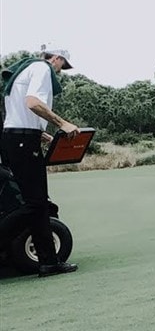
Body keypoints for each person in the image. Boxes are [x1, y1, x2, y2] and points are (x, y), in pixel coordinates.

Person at [1, 47, 80, 277]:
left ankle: (49, 262)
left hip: (19, 138)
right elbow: (33, 102)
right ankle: (48, 261)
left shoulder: (24, 70)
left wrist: (40, 133)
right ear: (55, 58)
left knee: (37, 203)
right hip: (22, 140)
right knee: (35, 203)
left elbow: (20, 113)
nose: (60, 71)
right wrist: (61, 123)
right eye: (62, 65)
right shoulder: (42, 68)